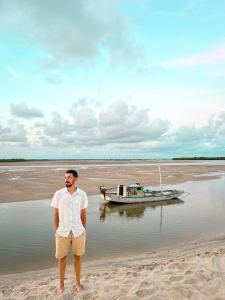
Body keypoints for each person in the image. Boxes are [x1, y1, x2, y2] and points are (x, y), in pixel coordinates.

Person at [51, 169, 88, 294]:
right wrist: (57, 230)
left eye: (69, 177)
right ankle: (61, 285)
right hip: (62, 232)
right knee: (61, 259)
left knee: (78, 258)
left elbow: (83, 214)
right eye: (65, 177)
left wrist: (83, 229)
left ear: (75, 179)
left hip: (78, 232)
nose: (66, 179)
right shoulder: (58, 194)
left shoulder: (82, 194)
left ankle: (77, 283)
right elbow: (55, 215)